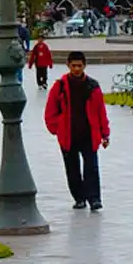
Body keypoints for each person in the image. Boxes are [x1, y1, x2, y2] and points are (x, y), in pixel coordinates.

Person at [43, 50, 110, 210]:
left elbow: (101, 111)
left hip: (89, 134)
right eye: (74, 66)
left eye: (79, 66)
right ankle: (79, 198)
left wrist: (105, 134)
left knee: (91, 168)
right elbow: (50, 111)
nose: (77, 69)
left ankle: (94, 199)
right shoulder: (59, 87)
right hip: (68, 135)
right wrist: (56, 128)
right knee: (72, 169)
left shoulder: (93, 86)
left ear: (84, 66)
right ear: (68, 66)